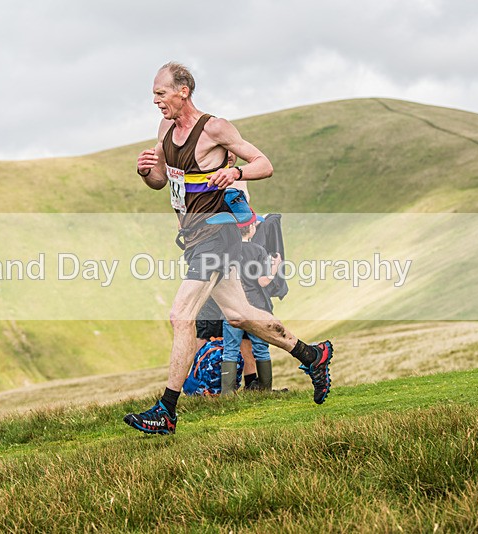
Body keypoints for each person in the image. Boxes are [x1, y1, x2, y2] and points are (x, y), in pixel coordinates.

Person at [123, 62, 333, 435]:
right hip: (194, 238)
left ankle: (166, 411)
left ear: (183, 91)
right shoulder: (165, 130)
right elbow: (161, 181)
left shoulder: (214, 128)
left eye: (160, 93)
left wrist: (235, 173)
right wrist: (145, 172)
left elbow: (264, 164)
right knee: (239, 314)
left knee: (181, 315)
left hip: (218, 235)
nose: (155, 100)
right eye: (154, 94)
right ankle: (313, 355)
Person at [220, 220, 281, 395]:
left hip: (232, 307)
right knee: (261, 349)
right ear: (251, 229)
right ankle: (265, 390)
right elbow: (262, 281)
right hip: (256, 308)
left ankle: (227, 394)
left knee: (230, 350)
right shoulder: (258, 251)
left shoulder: (226, 252)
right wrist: (274, 268)